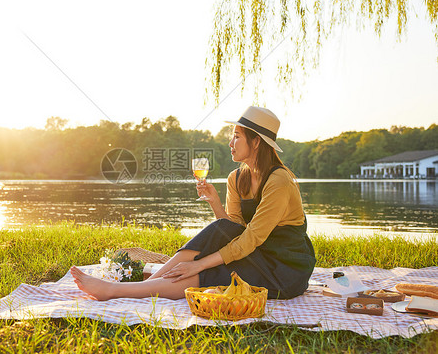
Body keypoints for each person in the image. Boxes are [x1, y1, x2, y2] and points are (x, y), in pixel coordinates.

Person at [70, 106, 316, 301]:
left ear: (257, 142)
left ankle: (115, 291)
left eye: (237, 137)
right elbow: (233, 228)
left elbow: (252, 238)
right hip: (256, 254)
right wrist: (215, 203)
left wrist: (196, 265)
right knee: (219, 236)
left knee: (207, 273)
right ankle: (143, 286)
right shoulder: (237, 178)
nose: (231, 143)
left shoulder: (280, 181)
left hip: (284, 268)